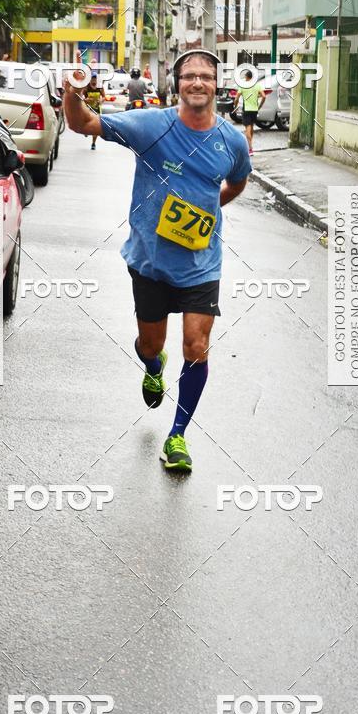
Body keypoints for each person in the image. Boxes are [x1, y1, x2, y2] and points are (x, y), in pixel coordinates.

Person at [64, 48, 251, 471]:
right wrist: (72, 92)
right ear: (177, 82)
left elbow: (238, 181)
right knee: (152, 343)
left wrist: (216, 205)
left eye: (206, 76)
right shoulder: (151, 125)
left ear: (216, 84)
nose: (198, 82)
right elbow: (82, 123)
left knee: (197, 347)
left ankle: (177, 436)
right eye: (190, 76)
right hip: (150, 260)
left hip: (202, 261)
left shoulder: (231, 140)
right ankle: (153, 364)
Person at [233, 70, 267, 155]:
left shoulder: (243, 86)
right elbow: (264, 96)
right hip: (255, 110)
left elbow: (236, 98)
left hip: (247, 110)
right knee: (251, 128)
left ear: (247, 77)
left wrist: (235, 106)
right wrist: (260, 106)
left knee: (247, 130)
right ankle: (250, 146)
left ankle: (250, 149)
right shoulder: (257, 85)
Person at [83, 74, 105, 149]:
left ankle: (93, 143)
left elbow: (104, 96)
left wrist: (101, 100)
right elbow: (81, 97)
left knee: (96, 126)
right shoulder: (86, 87)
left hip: (96, 108)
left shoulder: (100, 87)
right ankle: (85, 131)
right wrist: (86, 100)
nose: (94, 80)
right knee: (86, 124)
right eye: (92, 79)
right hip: (87, 108)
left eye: (95, 79)